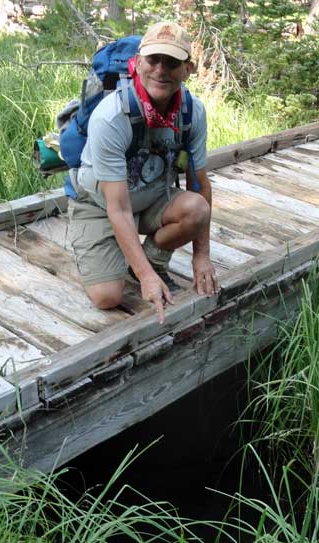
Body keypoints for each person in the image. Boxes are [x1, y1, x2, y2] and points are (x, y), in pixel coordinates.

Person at [69, 21, 219, 324]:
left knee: (196, 208)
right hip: (100, 204)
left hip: (151, 198)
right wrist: (147, 277)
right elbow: (118, 208)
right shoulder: (112, 117)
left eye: (172, 62)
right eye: (153, 59)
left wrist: (201, 255)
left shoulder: (192, 112)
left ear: (187, 69)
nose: (161, 70)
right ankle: (126, 261)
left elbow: (198, 184)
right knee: (107, 297)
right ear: (138, 63)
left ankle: (143, 260)